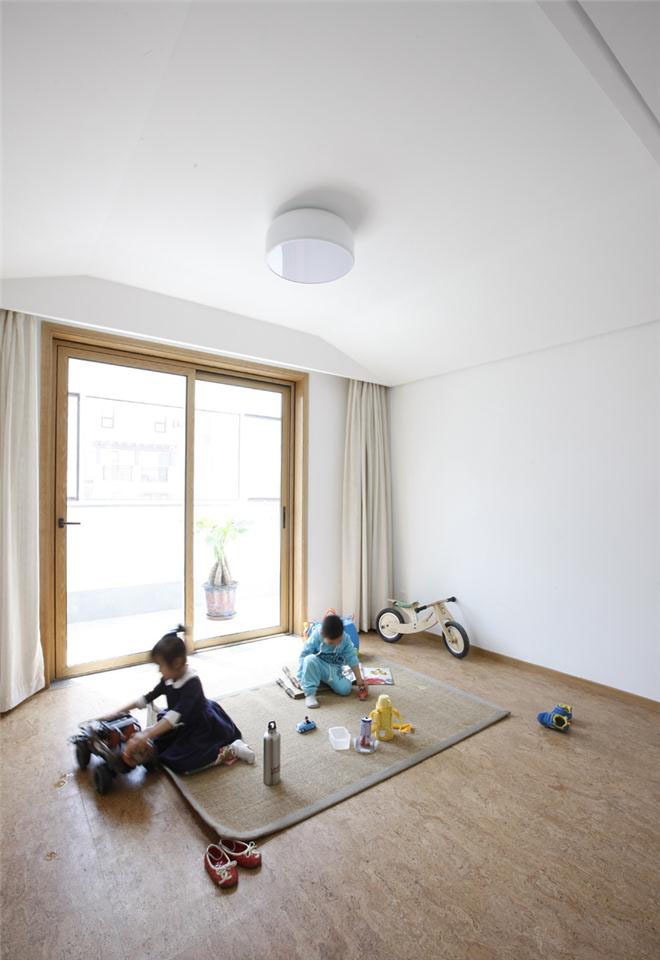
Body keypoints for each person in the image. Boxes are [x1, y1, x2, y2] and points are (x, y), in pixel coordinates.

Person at [101, 626, 255, 773]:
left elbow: (173, 717)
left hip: (201, 725)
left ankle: (232, 749)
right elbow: (147, 698)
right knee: (161, 747)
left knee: (182, 762)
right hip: (180, 723)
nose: (159, 670)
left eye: (161, 666)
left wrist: (146, 734)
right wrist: (117, 712)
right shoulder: (168, 678)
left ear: (177, 663)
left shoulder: (192, 684)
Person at [297, 613, 368, 708]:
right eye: (331, 642)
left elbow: (352, 658)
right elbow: (304, 654)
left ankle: (322, 680)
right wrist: (300, 677)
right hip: (317, 665)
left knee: (346, 689)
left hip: (334, 669)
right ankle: (310, 694)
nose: (336, 644)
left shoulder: (345, 639)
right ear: (322, 634)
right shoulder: (316, 635)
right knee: (309, 659)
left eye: (339, 641)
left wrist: (359, 679)